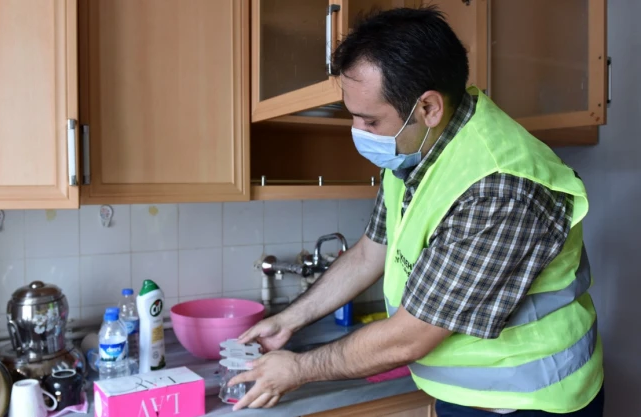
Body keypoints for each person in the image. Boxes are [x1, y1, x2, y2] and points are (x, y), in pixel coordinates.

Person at [228, 6, 605, 416]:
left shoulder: (499, 188)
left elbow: (410, 336)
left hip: (530, 400)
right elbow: (369, 252)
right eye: (353, 116)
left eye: (371, 121)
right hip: (469, 392)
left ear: (428, 108)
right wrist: (289, 320)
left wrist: (299, 368)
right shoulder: (415, 151)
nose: (358, 132)